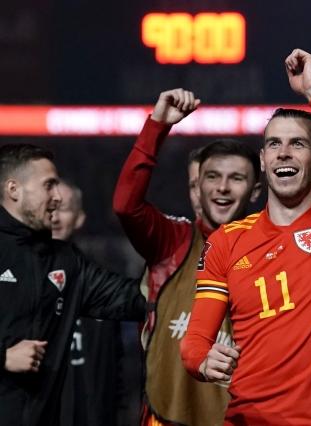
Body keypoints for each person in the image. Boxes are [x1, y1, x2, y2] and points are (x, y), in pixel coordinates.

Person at [181, 48, 311, 425]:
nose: (283, 153)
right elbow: (195, 341)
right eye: (274, 144)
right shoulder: (227, 241)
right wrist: (202, 361)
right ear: (262, 160)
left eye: (298, 144)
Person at [113, 90, 261, 426]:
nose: (222, 187)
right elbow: (125, 206)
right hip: (164, 418)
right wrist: (157, 125)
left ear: (255, 191)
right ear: (198, 187)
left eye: (236, 178)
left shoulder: (272, 251)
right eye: (212, 177)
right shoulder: (172, 241)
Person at [0, 144, 146, 426]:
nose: (57, 197)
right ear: (14, 190)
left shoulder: (65, 262)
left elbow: (135, 299)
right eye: (49, 185)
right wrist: (3, 357)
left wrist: (168, 254)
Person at [53, 180, 124, 426]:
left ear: (79, 218)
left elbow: (116, 363)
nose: (55, 216)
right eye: (49, 207)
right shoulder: (13, 278)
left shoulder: (102, 282)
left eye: (63, 208)